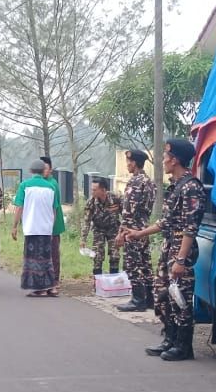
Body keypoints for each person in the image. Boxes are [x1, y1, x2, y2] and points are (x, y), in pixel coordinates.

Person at [127, 138, 206, 362]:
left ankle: (183, 346)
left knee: (179, 297)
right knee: (162, 296)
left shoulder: (191, 188)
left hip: (181, 250)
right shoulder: (176, 185)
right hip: (168, 246)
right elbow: (165, 222)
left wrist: (181, 260)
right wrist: (139, 233)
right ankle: (169, 339)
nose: (163, 160)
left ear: (176, 159)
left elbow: (190, 228)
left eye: (165, 157)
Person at [12, 159, 64, 297]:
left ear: (30, 171)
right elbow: (54, 210)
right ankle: (51, 287)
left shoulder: (25, 185)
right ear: (43, 171)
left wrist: (15, 226)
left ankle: (39, 288)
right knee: (47, 259)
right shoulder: (51, 187)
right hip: (46, 229)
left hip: (31, 228)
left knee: (33, 259)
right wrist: (51, 227)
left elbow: (19, 207)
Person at [115, 150, 155, 312]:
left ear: (134, 163)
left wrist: (121, 233)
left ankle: (138, 300)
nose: (127, 165)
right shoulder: (149, 182)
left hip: (133, 230)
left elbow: (128, 211)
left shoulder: (135, 182)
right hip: (144, 228)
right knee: (145, 264)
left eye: (129, 162)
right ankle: (150, 299)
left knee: (133, 265)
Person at [80, 178, 122, 276]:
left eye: (94, 190)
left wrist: (123, 233)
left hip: (113, 230)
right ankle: (98, 283)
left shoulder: (116, 198)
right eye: (92, 189)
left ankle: (113, 281)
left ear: (103, 190)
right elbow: (86, 221)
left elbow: (125, 214)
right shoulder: (91, 202)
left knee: (114, 256)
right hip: (98, 230)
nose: (92, 192)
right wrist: (83, 239)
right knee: (97, 256)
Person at [39, 156, 66, 283]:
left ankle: (55, 279)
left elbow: (52, 208)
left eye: (45, 168)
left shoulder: (52, 184)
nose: (43, 171)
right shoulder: (40, 182)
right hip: (42, 224)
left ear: (50, 169)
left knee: (53, 253)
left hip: (53, 225)